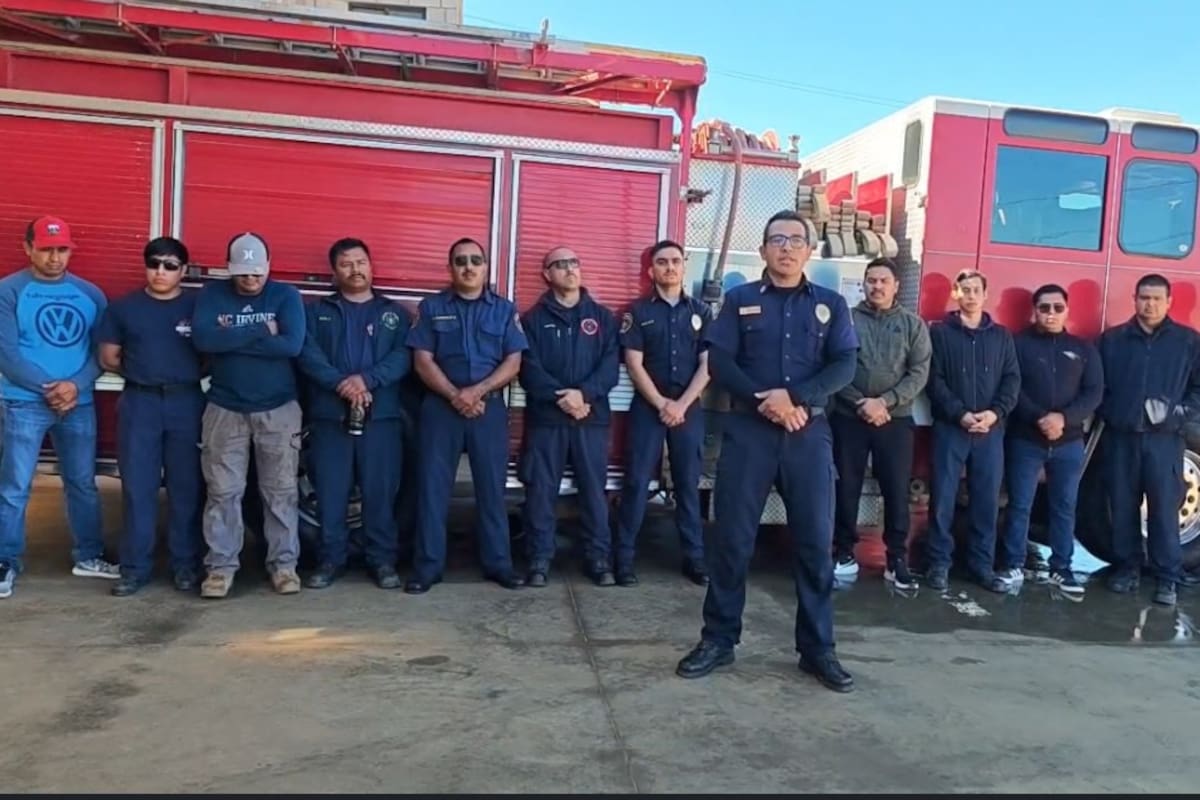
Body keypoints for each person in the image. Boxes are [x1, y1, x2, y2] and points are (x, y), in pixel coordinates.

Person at [675, 210, 859, 693]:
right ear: (762, 251)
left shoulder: (831, 305)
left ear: (808, 251)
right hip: (749, 433)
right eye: (777, 239)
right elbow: (718, 359)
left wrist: (794, 399)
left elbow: (844, 365)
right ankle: (718, 639)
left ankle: (817, 650)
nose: (786, 247)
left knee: (815, 546)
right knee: (733, 541)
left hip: (807, 436)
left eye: (796, 240)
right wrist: (769, 402)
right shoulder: (739, 301)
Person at [0, 216, 117, 599]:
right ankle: (6, 562)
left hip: (77, 403)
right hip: (23, 404)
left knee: (82, 483)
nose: (54, 258)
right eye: (47, 249)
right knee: (15, 487)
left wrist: (75, 386)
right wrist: (48, 388)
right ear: (28, 248)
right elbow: (7, 353)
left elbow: (101, 353)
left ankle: (89, 555)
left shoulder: (92, 295)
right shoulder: (9, 292)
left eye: (62, 249)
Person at [405, 237, 527, 593]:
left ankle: (498, 565)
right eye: (460, 261)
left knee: (492, 490)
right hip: (440, 409)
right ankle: (427, 568)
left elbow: (514, 360)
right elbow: (422, 360)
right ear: (450, 268)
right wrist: (455, 394)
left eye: (476, 260)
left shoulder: (504, 310)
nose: (468, 266)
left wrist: (478, 391)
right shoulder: (431, 307)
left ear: (486, 267)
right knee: (432, 490)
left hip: (487, 408)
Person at [191, 232, 306, 599]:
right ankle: (220, 569)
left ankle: (284, 566)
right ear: (230, 268)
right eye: (243, 273)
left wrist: (233, 335)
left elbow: (291, 344)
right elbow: (204, 340)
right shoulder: (212, 294)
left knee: (281, 491)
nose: (251, 280)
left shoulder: (286, 296)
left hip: (279, 409)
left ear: (268, 267)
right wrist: (260, 331)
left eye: (257, 273)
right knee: (223, 492)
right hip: (225, 407)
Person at [297, 238, 411, 590]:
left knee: (380, 494)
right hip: (331, 418)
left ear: (371, 266)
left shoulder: (396, 314)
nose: (355, 269)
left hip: (381, 419)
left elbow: (405, 357)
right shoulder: (316, 314)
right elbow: (307, 353)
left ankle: (382, 562)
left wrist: (367, 380)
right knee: (331, 493)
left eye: (361, 262)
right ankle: (331, 561)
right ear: (334, 271)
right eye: (346, 264)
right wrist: (339, 384)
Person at [96, 236, 206, 596]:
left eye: (170, 265)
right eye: (154, 263)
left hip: (186, 402)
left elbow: (212, 355)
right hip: (140, 403)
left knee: (187, 488)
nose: (161, 271)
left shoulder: (197, 308)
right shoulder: (124, 309)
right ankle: (135, 568)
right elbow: (108, 357)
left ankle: (185, 566)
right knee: (138, 488)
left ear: (183, 271)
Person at [518, 246, 620, 587]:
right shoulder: (532, 320)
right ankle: (539, 560)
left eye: (574, 262)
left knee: (594, 491)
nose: (569, 269)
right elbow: (528, 368)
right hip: (549, 420)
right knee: (541, 492)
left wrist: (584, 395)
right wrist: (563, 398)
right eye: (560, 265)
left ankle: (598, 559)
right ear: (547, 274)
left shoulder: (604, 318)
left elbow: (609, 368)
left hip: (591, 419)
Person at [1097, 274, 1200, 607]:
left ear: (1169, 302)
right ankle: (1127, 569)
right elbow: (1097, 388)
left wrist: (1178, 413)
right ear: (1134, 298)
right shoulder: (1112, 341)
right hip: (1121, 438)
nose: (1150, 304)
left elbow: (1198, 390)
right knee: (1123, 507)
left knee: (1163, 511)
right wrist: (1114, 412)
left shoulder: (1188, 342)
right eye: (1144, 297)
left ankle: (1167, 578)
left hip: (1165, 441)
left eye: (1157, 298)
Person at [614, 240, 711, 587]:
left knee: (688, 485)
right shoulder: (637, 312)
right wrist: (661, 404)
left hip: (688, 409)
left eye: (675, 261)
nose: (669, 267)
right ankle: (623, 560)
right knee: (637, 482)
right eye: (662, 262)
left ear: (684, 266)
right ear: (650, 270)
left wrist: (681, 405)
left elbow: (707, 364)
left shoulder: (703, 311)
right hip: (647, 407)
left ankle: (695, 560)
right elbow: (633, 364)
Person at [830, 256, 931, 589]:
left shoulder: (913, 325)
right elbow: (834, 364)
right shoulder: (845, 320)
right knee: (846, 487)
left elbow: (919, 373)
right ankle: (843, 553)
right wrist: (861, 402)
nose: (876, 286)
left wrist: (884, 402)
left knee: (896, 490)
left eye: (883, 281)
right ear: (864, 284)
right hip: (850, 418)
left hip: (894, 421)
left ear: (896, 286)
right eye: (871, 280)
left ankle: (896, 560)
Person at [1000, 284, 1102, 598]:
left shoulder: (1083, 349)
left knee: (1064, 507)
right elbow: (1011, 387)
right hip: (1025, 439)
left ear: (1067, 311)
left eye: (1058, 308)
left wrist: (1063, 419)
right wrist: (1039, 418)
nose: (1051, 314)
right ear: (1034, 311)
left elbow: (1094, 392)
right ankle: (1013, 565)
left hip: (1069, 443)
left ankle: (1062, 568)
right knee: (1019, 505)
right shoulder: (1017, 345)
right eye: (1044, 308)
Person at [924, 269, 1020, 592]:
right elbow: (933, 381)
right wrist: (961, 414)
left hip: (990, 432)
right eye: (964, 289)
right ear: (956, 294)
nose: (970, 295)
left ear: (985, 294)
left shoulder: (1002, 336)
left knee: (986, 501)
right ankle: (938, 564)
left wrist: (994, 414)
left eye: (976, 289)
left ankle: (981, 566)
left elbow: (1012, 380)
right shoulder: (939, 333)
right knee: (943, 499)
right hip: (951, 428)